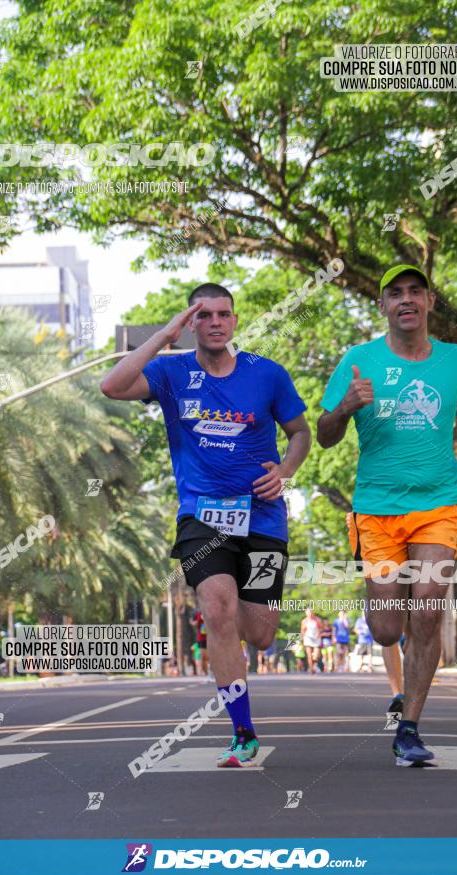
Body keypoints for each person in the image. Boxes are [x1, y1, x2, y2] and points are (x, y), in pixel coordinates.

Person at [100, 282, 311, 766]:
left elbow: (299, 433)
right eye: (204, 315)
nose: (215, 322)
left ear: (234, 321)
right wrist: (161, 336)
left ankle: (235, 622)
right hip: (202, 515)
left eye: (223, 314)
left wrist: (286, 470)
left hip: (262, 518)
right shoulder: (171, 372)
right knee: (218, 610)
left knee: (259, 633)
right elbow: (112, 386)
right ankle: (242, 732)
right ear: (192, 323)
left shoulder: (267, 375)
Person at [317, 263, 457, 766]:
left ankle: (410, 728)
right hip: (376, 509)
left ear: (430, 302)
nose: (406, 299)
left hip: (439, 503)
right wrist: (344, 409)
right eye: (394, 293)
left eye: (415, 292)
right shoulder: (359, 360)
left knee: (427, 607)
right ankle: (399, 674)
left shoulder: (455, 359)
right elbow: (323, 433)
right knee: (385, 628)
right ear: (382, 306)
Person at [301, 608, 322, 674]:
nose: (309, 614)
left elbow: (321, 629)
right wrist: (303, 637)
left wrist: (318, 635)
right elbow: (302, 630)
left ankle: (314, 664)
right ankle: (311, 668)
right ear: (306, 613)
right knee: (309, 655)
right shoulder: (304, 621)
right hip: (308, 639)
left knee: (315, 656)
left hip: (316, 639)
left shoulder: (317, 620)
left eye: (310, 612)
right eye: (308, 613)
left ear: (312, 613)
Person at [190, 609, 209, 675]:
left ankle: (203, 672)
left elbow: (196, 623)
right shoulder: (203, 613)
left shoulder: (200, 614)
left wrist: (192, 622)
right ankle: (204, 672)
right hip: (204, 638)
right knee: (203, 656)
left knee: (203, 656)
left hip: (203, 638)